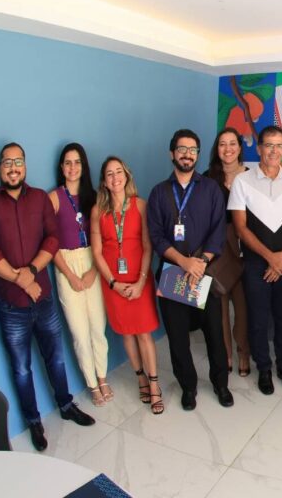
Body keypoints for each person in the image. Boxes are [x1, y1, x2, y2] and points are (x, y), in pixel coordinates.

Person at [0, 143, 95, 452]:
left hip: (43, 299)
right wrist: (20, 280)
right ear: (0, 168)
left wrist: (29, 271)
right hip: (11, 305)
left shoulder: (41, 198)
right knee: (21, 368)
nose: (13, 167)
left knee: (56, 357)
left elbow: (52, 239)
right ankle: (34, 422)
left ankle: (66, 405)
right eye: (7, 162)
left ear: (25, 166)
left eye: (18, 161)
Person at [147, 129, 233, 410]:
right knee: (177, 338)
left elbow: (218, 231)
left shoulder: (210, 189)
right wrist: (183, 262)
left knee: (215, 333)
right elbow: (156, 236)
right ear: (172, 153)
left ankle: (221, 384)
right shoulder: (159, 192)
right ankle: (188, 387)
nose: (187, 154)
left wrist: (200, 263)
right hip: (173, 273)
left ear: (198, 154)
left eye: (193, 150)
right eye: (182, 149)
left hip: (205, 273)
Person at [229, 126, 282, 395]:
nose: (274, 151)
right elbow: (241, 228)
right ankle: (263, 367)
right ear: (259, 148)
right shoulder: (242, 181)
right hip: (255, 263)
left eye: (279, 145)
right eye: (269, 145)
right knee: (258, 319)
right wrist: (270, 258)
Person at [91, 157, 162, 414]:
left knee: (144, 332)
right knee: (127, 332)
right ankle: (140, 377)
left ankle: (154, 384)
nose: (115, 178)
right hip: (113, 282)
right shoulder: (98, 211)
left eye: (118, 172)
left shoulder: (141, 205)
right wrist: (113, 283)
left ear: (126, 175)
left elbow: (147, 246)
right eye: (109, 174)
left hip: (139, 278)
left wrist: (141, 282)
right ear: (104, 181)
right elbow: (97, 252)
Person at [48, 143, 110, 407]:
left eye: (77, 162)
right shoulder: (53, 198)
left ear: (83, 166)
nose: (72, 167)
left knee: (98, 327)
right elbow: (49, 243)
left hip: (92, 260)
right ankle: (92, 384)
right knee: (79, 332)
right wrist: (70, 276)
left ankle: (103, 377)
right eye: (68, 162)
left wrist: (94, 270)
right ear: (61, 167)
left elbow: (103, 239)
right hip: (66, 263)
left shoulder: (94, 197)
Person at [204, 128, 251, 377]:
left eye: (233, 143)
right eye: (222, 144)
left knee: (243, 307)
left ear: (240, 148)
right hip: (216, 249)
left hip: (244, 248)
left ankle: (243, 351)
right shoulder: (206, 179)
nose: (228, 149)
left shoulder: (252, 177)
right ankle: (226, 354)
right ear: (217, 149)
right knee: (219, 305)